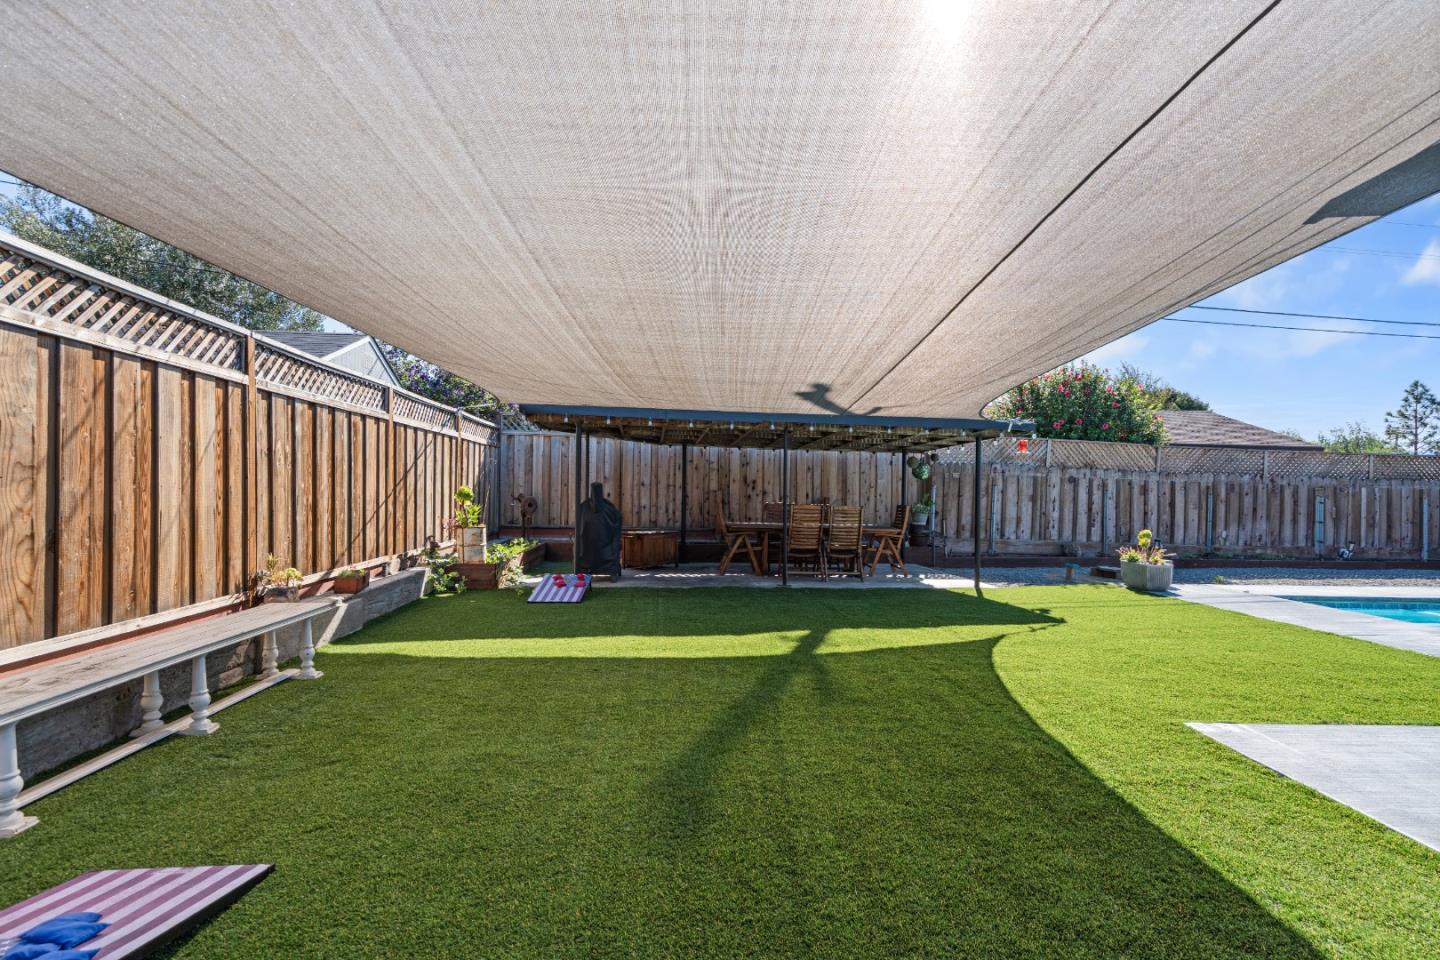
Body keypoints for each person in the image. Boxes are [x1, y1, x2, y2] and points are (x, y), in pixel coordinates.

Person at [577, 481, 622, 577]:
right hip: (606, 553)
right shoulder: (610, 508)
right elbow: (617, 525)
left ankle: (585, 568)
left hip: (587, 554)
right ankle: (610, 570)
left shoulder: (583, 507)